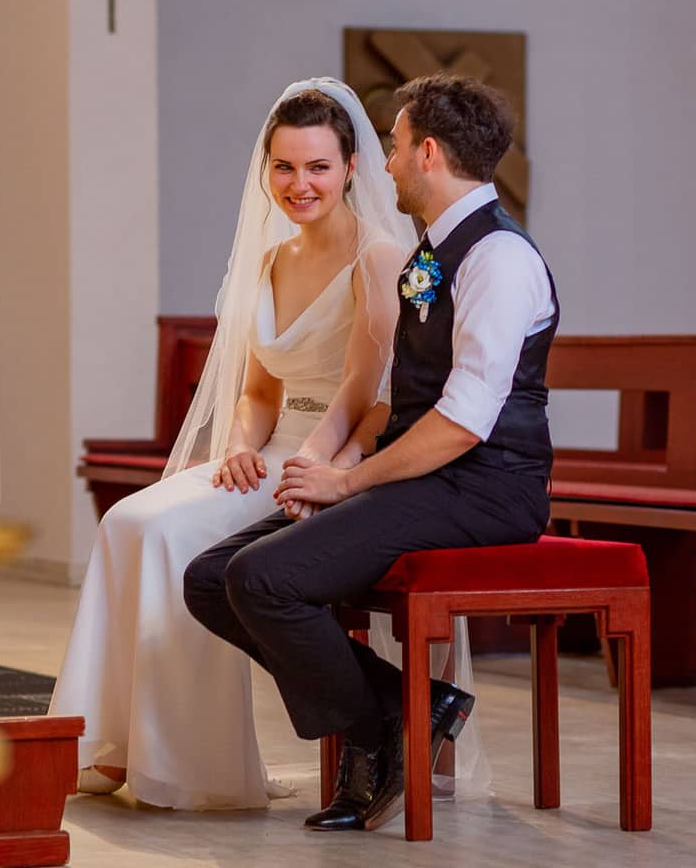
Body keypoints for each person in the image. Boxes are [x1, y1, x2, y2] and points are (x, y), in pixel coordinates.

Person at [48, 79, 488, 810]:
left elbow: (366, 391)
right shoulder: (269, 260)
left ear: (351, 167)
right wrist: (240, 447)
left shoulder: (380, 258)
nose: (300, 184)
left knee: (169, 538)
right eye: (284, 167)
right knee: (126, 521)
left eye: (317, 166)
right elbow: (257, 391)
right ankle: (122, 743)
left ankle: (189, 764)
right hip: (270, 451)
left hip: (337, 453)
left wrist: (313, 463)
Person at [183, 73, 556, 834]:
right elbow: (396, 391)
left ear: (425, 153)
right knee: (211, 579)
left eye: (390, 146)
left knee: (263, 577)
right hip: (426, 479)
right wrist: (335, 467)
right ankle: (406, 710)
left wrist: (346, 480)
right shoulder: (435, 251)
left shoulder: (499, 260)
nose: (383, 164)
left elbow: (462, 422)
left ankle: (374, 734)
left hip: (485, 489)